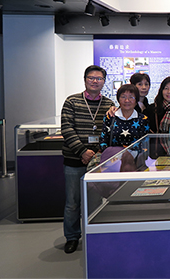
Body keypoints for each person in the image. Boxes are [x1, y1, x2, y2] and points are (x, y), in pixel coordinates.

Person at [61, 65, 114, 254]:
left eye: (99, 78)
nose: (95, 81)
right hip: (74, 160)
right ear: (85, 80)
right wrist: (82, 151)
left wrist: (97, 153)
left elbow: (110, 132)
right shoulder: (72, 101)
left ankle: (95, 235)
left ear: (104, 82)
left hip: (98, 162)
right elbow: (66, 129)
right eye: (91, 78)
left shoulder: (109, 104)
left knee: (97, 201)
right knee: (73, 202)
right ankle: (72, 237)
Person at [143, 76, 170, 156]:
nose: (169, 92)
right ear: (161, 91)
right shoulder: (152, 109)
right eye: (166, 88)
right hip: (157, 153)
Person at [99, 84, 150, 151]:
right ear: (118, 99)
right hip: (112, 159)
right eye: (123, 97)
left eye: (131, 97)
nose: (127, 100)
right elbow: (103, 140)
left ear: (136, 101)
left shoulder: (143, 119)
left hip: (135, 159)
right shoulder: (110, 117)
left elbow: (145, 143)